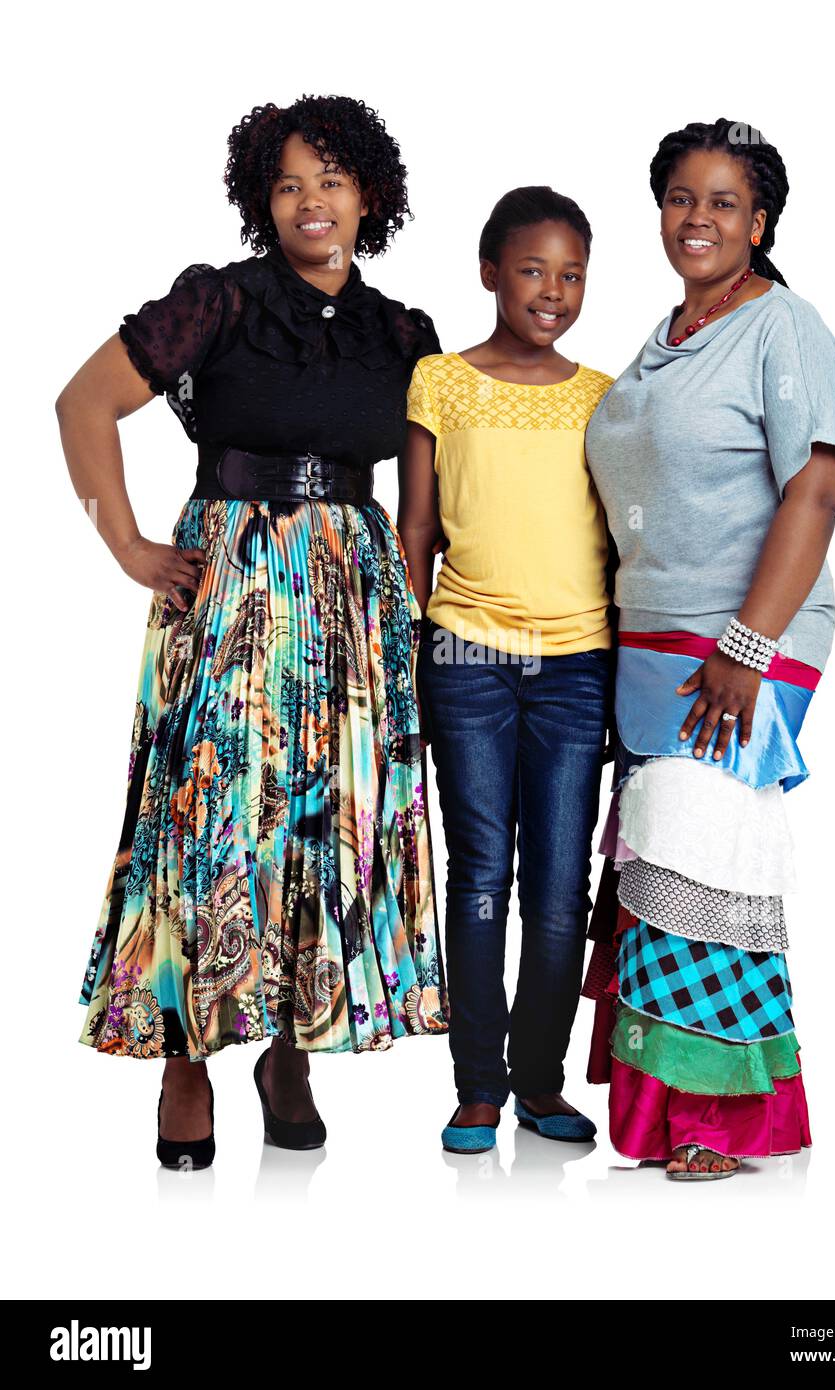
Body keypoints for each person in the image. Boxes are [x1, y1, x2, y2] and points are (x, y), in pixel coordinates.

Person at [56, 94, 448, 1171]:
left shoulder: (403, 333)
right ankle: (188, 1055)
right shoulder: (215, 305)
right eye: (287, 183)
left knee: (319, 818)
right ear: (259, 200)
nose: (310, 202)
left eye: (331, 180)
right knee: (212, 812)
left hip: (352, 605)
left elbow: (425, 497)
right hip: (231, 587)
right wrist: (129, 545)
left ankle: (289, 1046)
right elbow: (81, 405)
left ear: (371, 196)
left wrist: (408, 618)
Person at [582, 118, 835, 1179]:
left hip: (748, 640)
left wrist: (745, 645)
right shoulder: (666, 338)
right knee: (661, 865)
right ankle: (669, 1115)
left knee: (707, 859)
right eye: (682, 198)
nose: (699, 218)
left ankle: (719, 1119)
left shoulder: (783, 328)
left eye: (725, 202)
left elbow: (820, 487)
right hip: (651, 650)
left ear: (762, 221)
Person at [399, 187, 615, 1154]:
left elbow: (618, 536)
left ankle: (541, 1082)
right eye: (532, 269)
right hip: (466, 655)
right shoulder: (439, 381)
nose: (552, 291)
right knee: (482, 870)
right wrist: (408, 647)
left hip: (576, 664)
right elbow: (415, 527)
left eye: (570, 275)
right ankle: (478, 1085)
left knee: (560, 886)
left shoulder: (604, 396)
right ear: (489, 270)